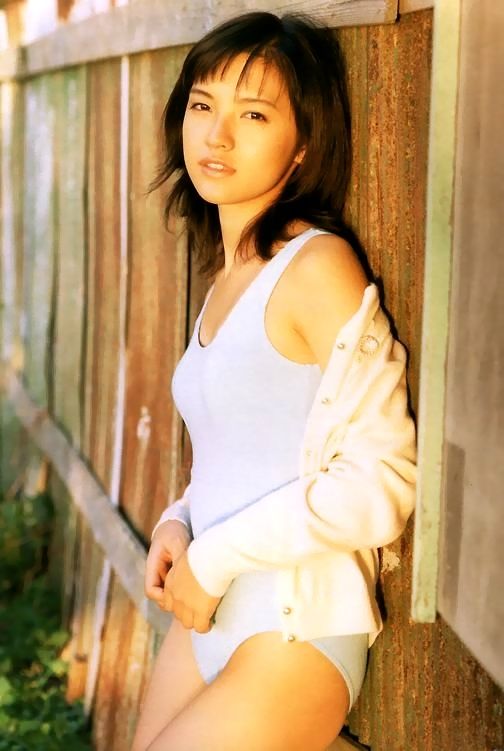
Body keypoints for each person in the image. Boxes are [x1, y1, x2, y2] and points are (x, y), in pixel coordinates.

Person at [132, 11, 417, 751]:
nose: (218, 135)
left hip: (294, 624)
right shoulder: (229, 275)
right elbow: (249, 450)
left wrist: (213, 556)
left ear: (303, 146)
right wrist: (178, 520)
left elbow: (382, 480)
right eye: (203, 105)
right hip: (209, 613)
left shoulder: (316, 267)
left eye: (254, 114)